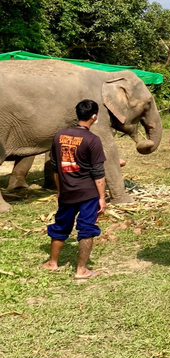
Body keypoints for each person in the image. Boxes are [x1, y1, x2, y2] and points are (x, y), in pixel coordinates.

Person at [42, 99, 107, 279]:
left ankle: (52, 263)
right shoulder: (93, 140)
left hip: (66, 192)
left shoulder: (58, 136)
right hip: (88, 193)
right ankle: (82, 270)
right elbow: (98, 172)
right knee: (86, 228)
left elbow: (55, 167)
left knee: (61, 226)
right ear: (94, 116)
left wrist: (60, 190)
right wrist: (102, 197)